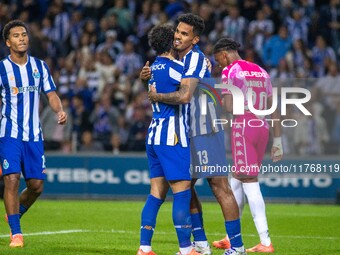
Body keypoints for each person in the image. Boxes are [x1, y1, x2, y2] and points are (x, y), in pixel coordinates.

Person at [144, 13, 246, 255]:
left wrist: (156, 95)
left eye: (184, 34)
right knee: (184, 186)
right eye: (177, 31)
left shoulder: (196, 59)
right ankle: (200, 244)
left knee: (219, 185)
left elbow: (185, 96)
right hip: (186, 131)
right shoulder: (177, 60)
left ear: (195, 39)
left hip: (205, 129)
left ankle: (238, 246)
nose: (178, 36)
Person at [212, 37, 283, 253]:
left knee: (249, 181)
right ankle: (229, 236)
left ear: (224, 55)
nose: (219, 66)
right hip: (261, 127)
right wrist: (277, 140)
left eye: (218, 61)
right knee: (237, 176)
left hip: (244, 125)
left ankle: (265, 241)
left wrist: (216, 97)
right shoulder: (260, 71)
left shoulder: (231, 71)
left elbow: (230, 106)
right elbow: (273, 106)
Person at [0, 20, 67, 248]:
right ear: (8, 42)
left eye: (24, 34)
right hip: (9, 132)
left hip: (34, 135)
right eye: (16, 36)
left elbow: (51, 94)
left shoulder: (39, 66)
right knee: (11, 179)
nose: (22, 38)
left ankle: (13, 215)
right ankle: (16, 234)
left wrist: (59, 110)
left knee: (36, 186)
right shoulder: (2, 69)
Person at [136, 24, 200, 255]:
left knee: (156, 193)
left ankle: (144, 247)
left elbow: (152, 87)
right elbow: (185, 95)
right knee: (182, 191)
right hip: (172, 135)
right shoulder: (176, 68)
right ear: (171, 42)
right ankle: (186, 249)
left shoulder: (151, 67)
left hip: (154, 133)